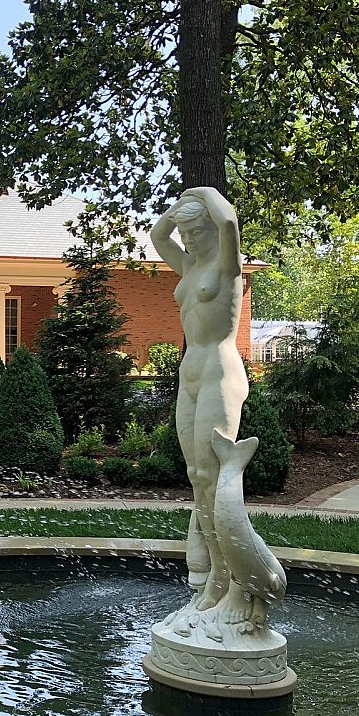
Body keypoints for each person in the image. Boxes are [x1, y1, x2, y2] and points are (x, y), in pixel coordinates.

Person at [150, 187, 247, 636]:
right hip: (189, 375)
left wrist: (200, 193)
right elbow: (158, 236)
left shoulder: (228, 265)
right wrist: (176, 212)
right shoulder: (189, 267)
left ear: (209, 228)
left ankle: (225, 580)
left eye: (194, 232)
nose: (187, 240)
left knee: (214, 476)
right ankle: (209, 573)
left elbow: (228, 222)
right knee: (197, 476)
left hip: (219, 374)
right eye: (184, 233)